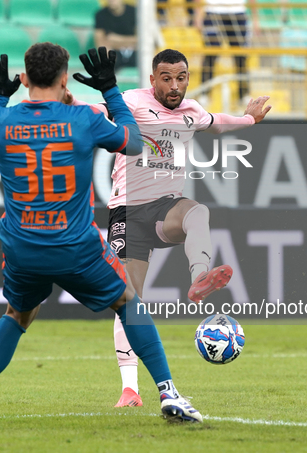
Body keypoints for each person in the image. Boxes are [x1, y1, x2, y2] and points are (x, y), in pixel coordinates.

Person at [0, 45, 203, 427]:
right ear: (65, 79)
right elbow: (133, 143)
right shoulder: (82, 118)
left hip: (23, 245)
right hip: (76, 247)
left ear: (25, 79)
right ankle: (168, 393)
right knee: (130, 303)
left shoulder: (2, 120)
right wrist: (111, 91)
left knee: (17, 315)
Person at [70, 48, 271, 407]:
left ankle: (199, 279)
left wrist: (249, 120)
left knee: (197, 212)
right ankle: (130, 389)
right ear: (153, 80)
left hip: (165, 208)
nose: (174, 86)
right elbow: (98, 112)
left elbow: (218, 122)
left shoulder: (191, 111)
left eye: (181, 78)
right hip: (127, 211)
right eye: (166, 78)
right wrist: (69, 100)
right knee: (130, 300)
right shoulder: (131, 101)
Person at [193, 0, 259, 102]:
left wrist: (255, 18)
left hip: (237, 11)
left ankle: (243, 94)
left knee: (240, 56)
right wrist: (198, 14)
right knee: (210, 55)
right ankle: (204, 93)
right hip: (212, 11)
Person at [94, 0, 136, 70]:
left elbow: (143, 40)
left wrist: (115, 39)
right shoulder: (100, 15)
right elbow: (100, 44)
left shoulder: (135, 12)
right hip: (114, 54)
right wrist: (131, 41)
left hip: (134, 52)